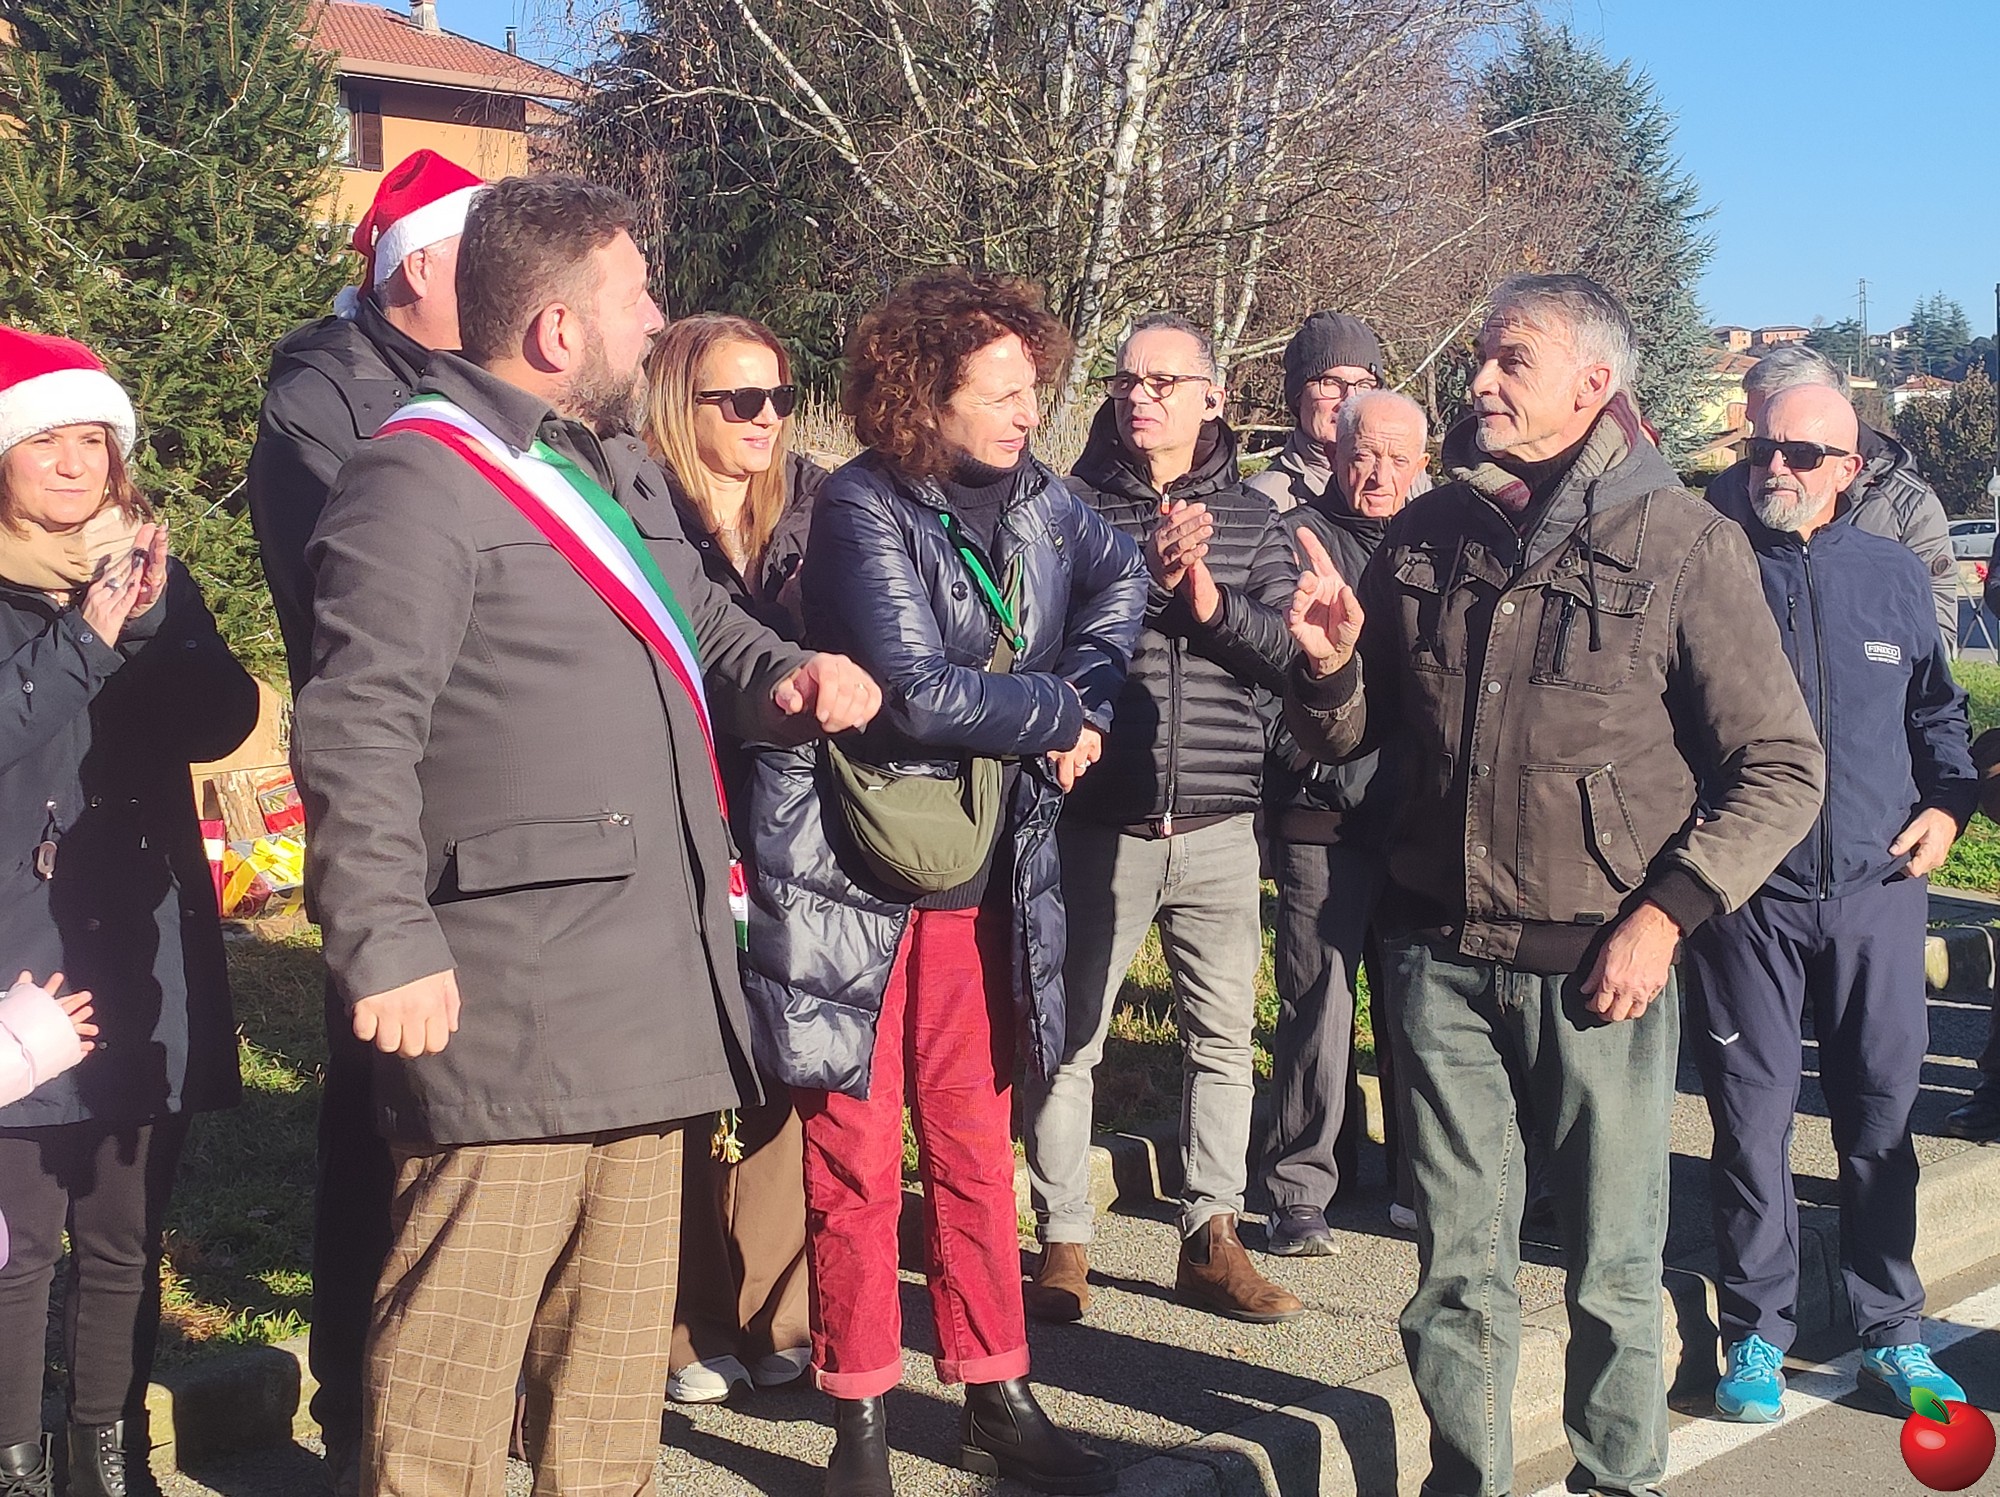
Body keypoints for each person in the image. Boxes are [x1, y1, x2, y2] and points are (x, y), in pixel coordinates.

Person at [292, 174, 882, 1497]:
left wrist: (787, 678)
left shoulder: (603, 468)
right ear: (558, 329)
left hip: (646, 990)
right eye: (635, 297)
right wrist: (383, 940)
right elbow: (353, 726)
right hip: (513, 1006)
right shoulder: (415, 479)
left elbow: (704, 628)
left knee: (610, 1383)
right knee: (449, 1385)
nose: (656, 323)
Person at [1281, 274, 1824, 1497]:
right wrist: (1326, 668)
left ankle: (1615, 1479)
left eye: (1509, 360)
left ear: (1592, 383)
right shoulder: (1429, 532)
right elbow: (1359, 734)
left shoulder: (1682, 542)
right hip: (1435, 961)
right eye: (1480, 356)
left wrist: (1666, 915)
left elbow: (1781, 767)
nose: (1477, 380)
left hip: (1601, 973)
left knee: (1612, 1273)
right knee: (1453, 1275)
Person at [740, 267, 1145, 1496]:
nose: (1030, 413)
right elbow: (914, 694)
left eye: (1033, 388)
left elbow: (1122, 578)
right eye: (1001, 392)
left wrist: (1093, 698)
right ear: (925, 396)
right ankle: (858, 1421)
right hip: (855, 873)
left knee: (973, 1144)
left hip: (987, 870)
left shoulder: (1043, 499)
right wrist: (1058, 712)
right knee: (855, 1156)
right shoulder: (862, 504)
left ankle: (995, 1393)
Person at [243, 146, 480, 1495]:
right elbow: (362, 591)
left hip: (488, 785)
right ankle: (355, 1400)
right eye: (479, 255)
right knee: (378, 1106)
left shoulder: (468, 377)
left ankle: (456, 1379)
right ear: (420, 268)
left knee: (470, 1100)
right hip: (393, 787)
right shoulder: (319, 400)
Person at [0, 327, 259, 1497]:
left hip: (140, 938)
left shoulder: (146, 575)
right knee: (17, 1246)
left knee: (122, 1237)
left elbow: (220, 720)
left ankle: (106, 1464)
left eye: (92, 442)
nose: (73, 465)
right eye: (43, 442)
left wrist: (147, 621)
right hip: (20, 951)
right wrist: (84, 639)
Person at [1692, 383, 1977, 1422]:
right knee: (1749, 1122)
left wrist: (1948, 807)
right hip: (1746, 896)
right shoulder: (1708, 564)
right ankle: (1755, 1334)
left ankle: (1891, 1330)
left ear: (1848, 470)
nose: (1777, 466)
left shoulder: (1891, 573)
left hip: (1876, 891)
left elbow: (1936, 712)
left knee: (1879, 1119)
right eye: (1764, 447)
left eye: (1804, 454)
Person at [1020, 310, 1302, 1318]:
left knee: (1222, 1040)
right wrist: (1143, 569)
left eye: (1163, 381)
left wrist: (1205, 597)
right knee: (1070, 1040)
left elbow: (1285, 653)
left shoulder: (1256, 518)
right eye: (1126, 380)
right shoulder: (1064, 506)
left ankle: (1210, 1234)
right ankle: (1062, 1240)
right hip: (1100, 819)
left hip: (1220, 821)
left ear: (1213, 396)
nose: (1140, 396)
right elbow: (1039, 638)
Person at [640, 313, 822, 1404]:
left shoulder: (813, 506)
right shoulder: (640, 510)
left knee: (781, 1057)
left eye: (778, 398)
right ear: (681, 402)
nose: (766, 419)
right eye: (739, 399)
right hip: (678, 812)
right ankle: (687, 1317)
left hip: (790, 819)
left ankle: (778, 1311)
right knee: (679, 1065)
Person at [1258, 389, 1428, 1249]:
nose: (1381, 473)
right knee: (1316, 1003)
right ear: (1334, 452)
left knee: (1417, 1007)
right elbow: (1260, 672)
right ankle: (1300, 1187)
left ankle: (1419, 1177)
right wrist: (1302, 755)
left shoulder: (1439, 542)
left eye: (1400, 458)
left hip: (1413, 820)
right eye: (1365, 454)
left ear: (1424, 464)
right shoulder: (1292, 539)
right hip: (1319, 814)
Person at [1705, 343, 1956, 651]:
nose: (1774, 463)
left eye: (1796, 449)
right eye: (1759, 436)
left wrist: (1863, 660)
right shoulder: (1729, 491)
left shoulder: (1908, 504)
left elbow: (1935, 644)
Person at [1246, 311, 1390, 515]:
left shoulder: (1411, 488)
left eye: (1364, 384)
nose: (1350, 400)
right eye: (1331, 383)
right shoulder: (1262, 503)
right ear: (1298, 395)